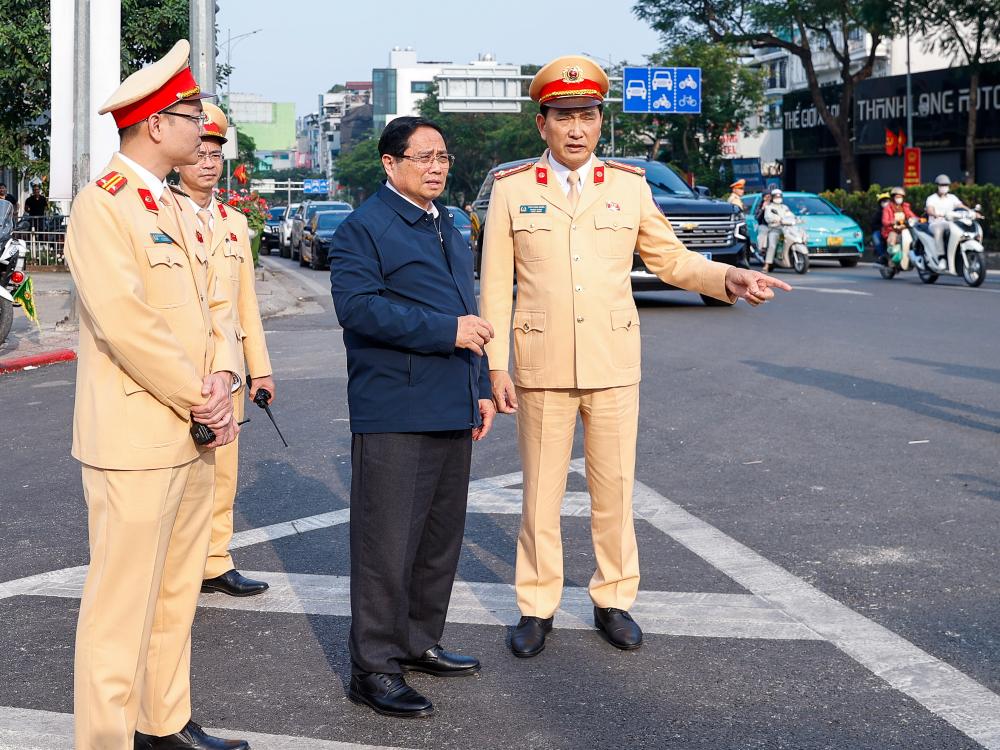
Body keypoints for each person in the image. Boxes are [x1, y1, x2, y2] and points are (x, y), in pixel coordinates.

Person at [478, 55, 790, 660]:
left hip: (614, 363)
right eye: (564, 116)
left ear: (601, 123)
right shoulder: (513, 190)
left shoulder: (628, 185)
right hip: (540, 365)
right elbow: (494, 286)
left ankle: (613, 600)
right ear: (542, 123)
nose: (576, 128)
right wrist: (495, 367)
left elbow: (671, 261)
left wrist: (729, 277)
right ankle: (536, 605)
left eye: (588, 116)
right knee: (539, 492)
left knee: (613, 488)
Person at [63, 39, 250, 750]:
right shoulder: (102, 204)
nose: (202, 130)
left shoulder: (175, 205)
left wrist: (226, 377)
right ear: (154, 124)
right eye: (191, 116)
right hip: (137, 435)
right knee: (120, 611)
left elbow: (217, 306)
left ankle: (162, 724)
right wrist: (200, 395)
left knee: (174, 598)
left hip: (190, 430)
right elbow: (126, 321)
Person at [330, 116, 497, 719]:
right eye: (423, 156)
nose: (436, 166)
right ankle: (373, 666)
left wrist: (478, 386)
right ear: (389, 163)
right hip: (394, 407)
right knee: (385, 542)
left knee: (436, 537)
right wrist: (446, 333)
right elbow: (359, 309)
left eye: (443, 156)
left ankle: (419, 640)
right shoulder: (363, 228)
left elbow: (467, 308)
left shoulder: (449, 223)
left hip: (451, 399)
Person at [174, 101, 275, 598]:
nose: (209, 164)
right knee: (181, 472)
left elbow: (245, 306)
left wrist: (261, 370)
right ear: (178, 159)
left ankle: (216, 559)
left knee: (224, 472)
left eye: (215, 154)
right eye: (199, 153)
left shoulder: (235, 223)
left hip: (228, 369)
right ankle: (179, 563)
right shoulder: (164, 215)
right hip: (181, 369)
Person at [925, 174, 967, 260]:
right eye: (942, 185)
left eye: (946, 185)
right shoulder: (931, 198)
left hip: (950, 223)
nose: (944, 187)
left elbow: (961, 206)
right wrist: (935, 214)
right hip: (935, 223)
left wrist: (971, 212)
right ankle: (941, 257)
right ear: (937, 186)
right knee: (938, 229)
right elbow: (930, 209)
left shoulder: (952, 197)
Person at [882, 187, 916, 269]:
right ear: (893, 197)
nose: (899, 199)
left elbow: (912, 216)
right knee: (892, 241)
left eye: (900, 197)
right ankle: (891, 260)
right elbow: (884, 221)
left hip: (904, 230)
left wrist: (917, 220)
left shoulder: (905, 206)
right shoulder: (888, 208)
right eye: (897, 197)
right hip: (892, 230)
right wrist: (892, 222)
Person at [763, 188, 794, 272]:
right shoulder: (769, 207)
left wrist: (796, 219)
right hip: (774, 229)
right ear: (772, 197)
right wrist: (775, 220)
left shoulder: (784, 207)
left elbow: (790, 215)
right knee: (772, 245)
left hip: (785, 229)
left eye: (779, 196)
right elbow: (768, 217)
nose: (778, 198)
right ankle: (767, 264)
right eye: (776, 196)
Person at [870, 192, 890, 263]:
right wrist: (881, 228)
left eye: (887, 201)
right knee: (876, 236)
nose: (886, 203)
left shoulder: (894, 210)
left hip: (894, 230)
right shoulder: (878, 213)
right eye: (883, 201)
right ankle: (882, 256)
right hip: (882, 231)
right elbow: (873, 224)